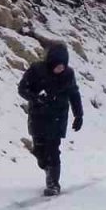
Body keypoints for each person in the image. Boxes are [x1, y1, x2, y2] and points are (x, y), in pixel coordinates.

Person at [18, 43, 84, 196]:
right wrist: (35, 98)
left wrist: (79, 115)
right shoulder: (36, 70)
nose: (60, 69)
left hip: (57, 117)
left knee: (53, 150)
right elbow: (22, 89)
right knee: (40, 150)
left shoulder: (68, 75)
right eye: (57, 66)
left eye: (63, 66)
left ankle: (53, 183)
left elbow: (74, 94)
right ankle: (46, 165)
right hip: (38, 116)